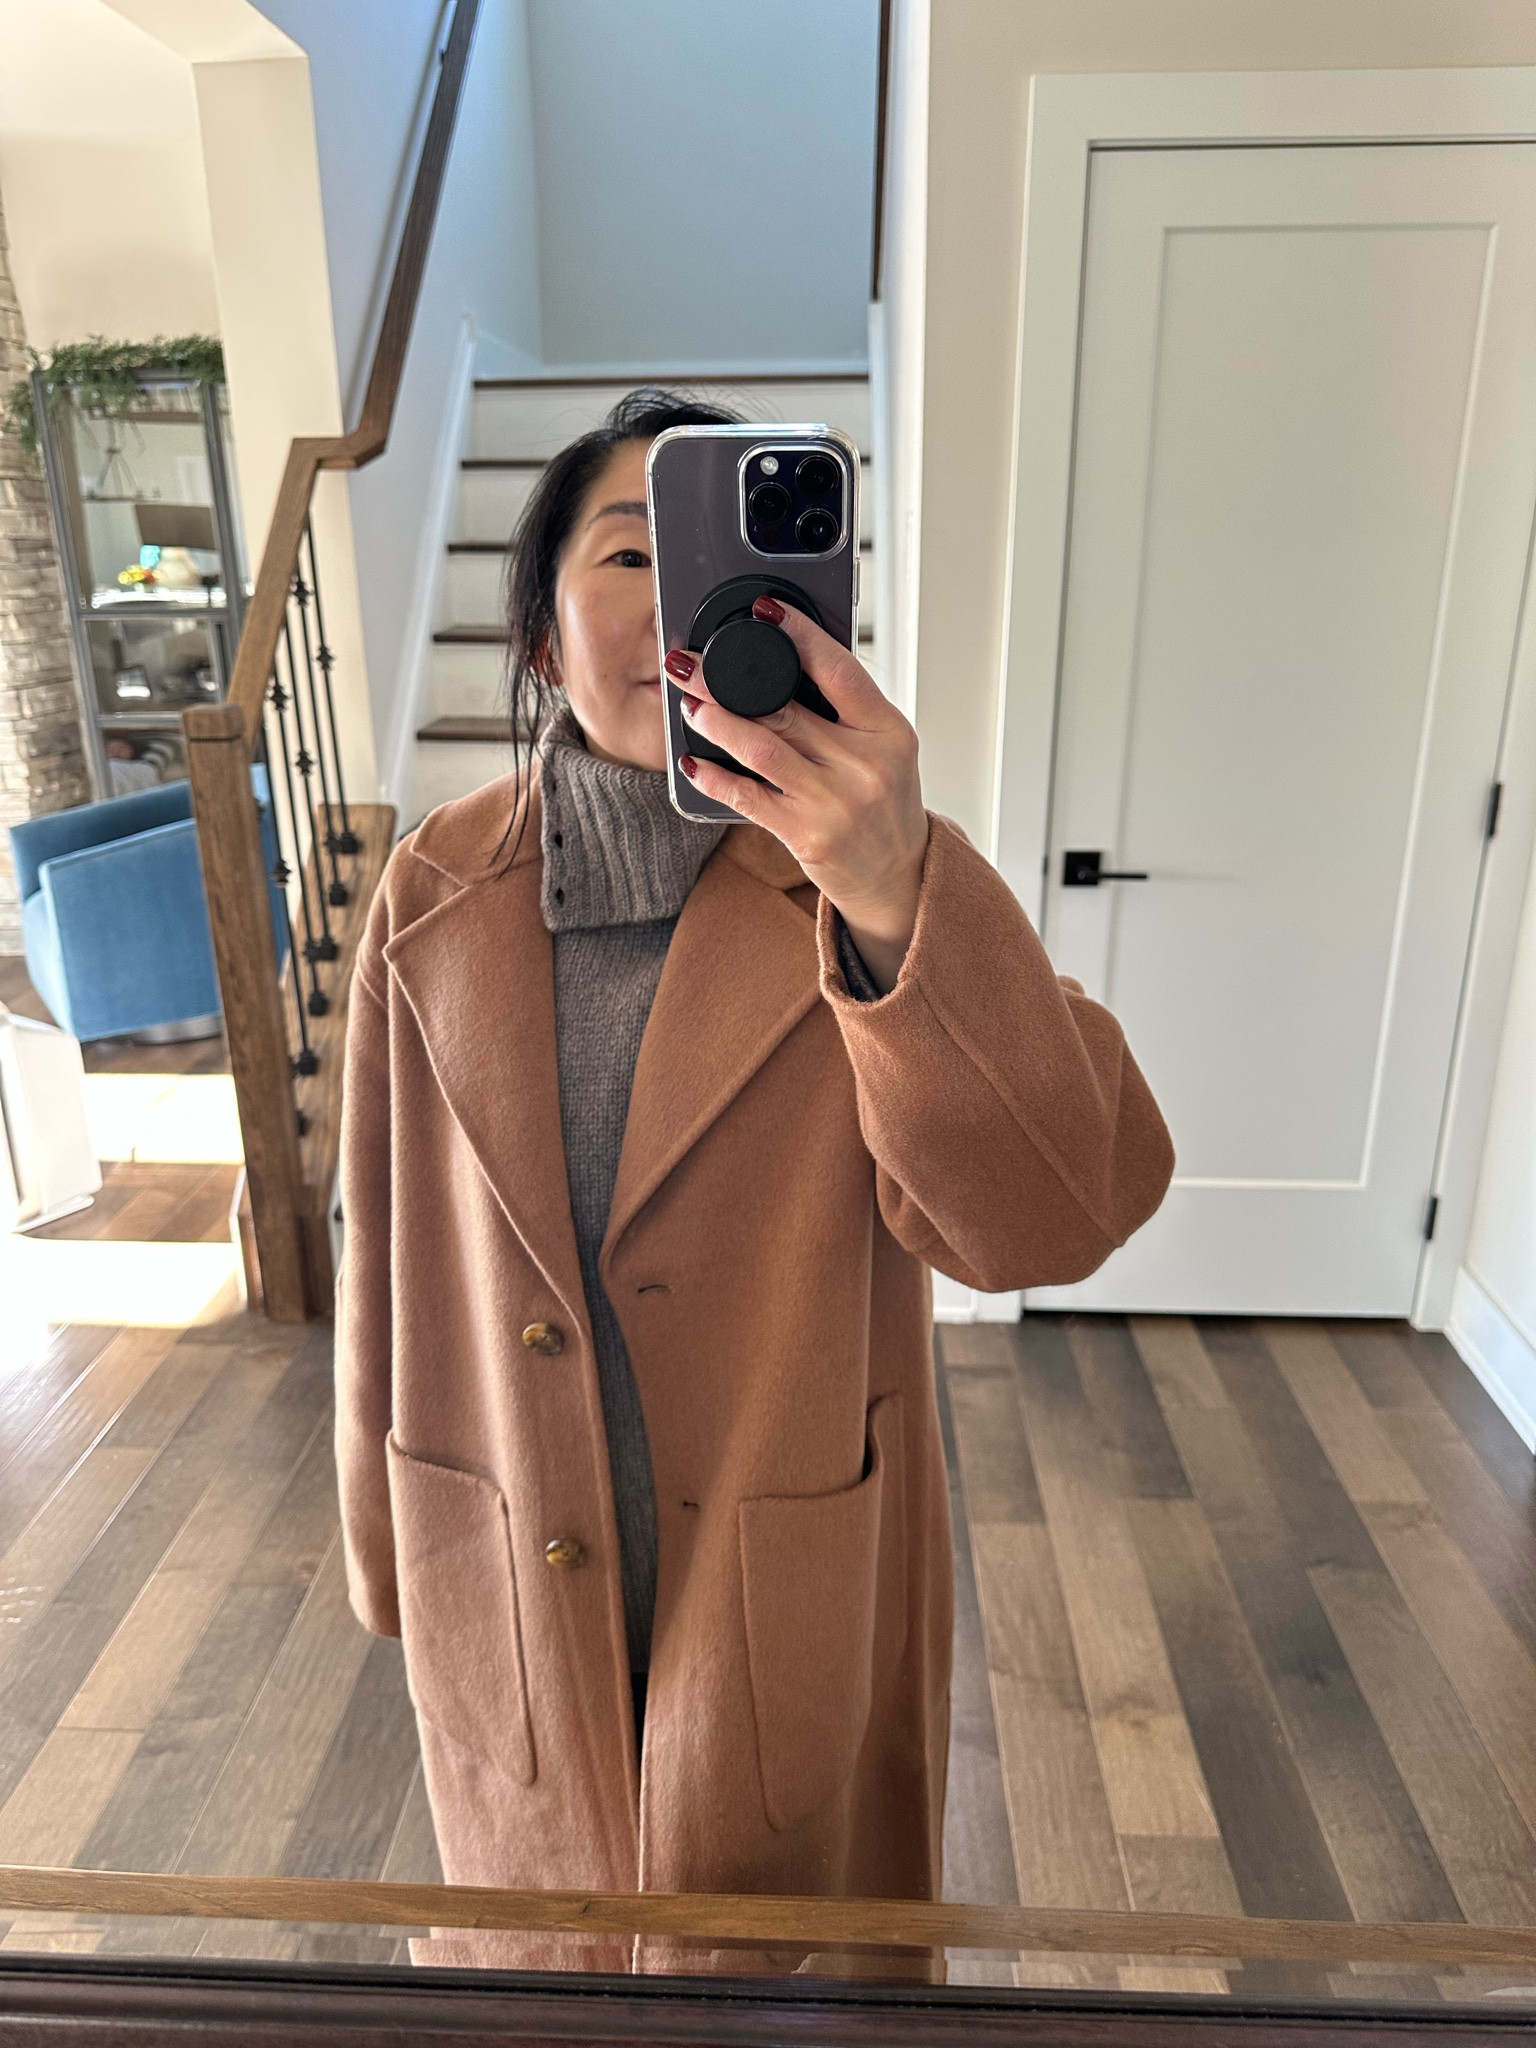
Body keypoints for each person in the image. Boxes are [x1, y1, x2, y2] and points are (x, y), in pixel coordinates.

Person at [334, 389, 1174, 1974]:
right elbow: (384, 1234)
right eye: (630, 553)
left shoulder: (871, 883)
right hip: (502, 1543)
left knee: (788, 1965)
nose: (684, 606)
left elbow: (1052, 1220)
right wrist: (393, 1540)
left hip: (783, 1570)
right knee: (542, 1958)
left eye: (725, 562)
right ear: (539, 638)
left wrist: (896, 889)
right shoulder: (432, 884)